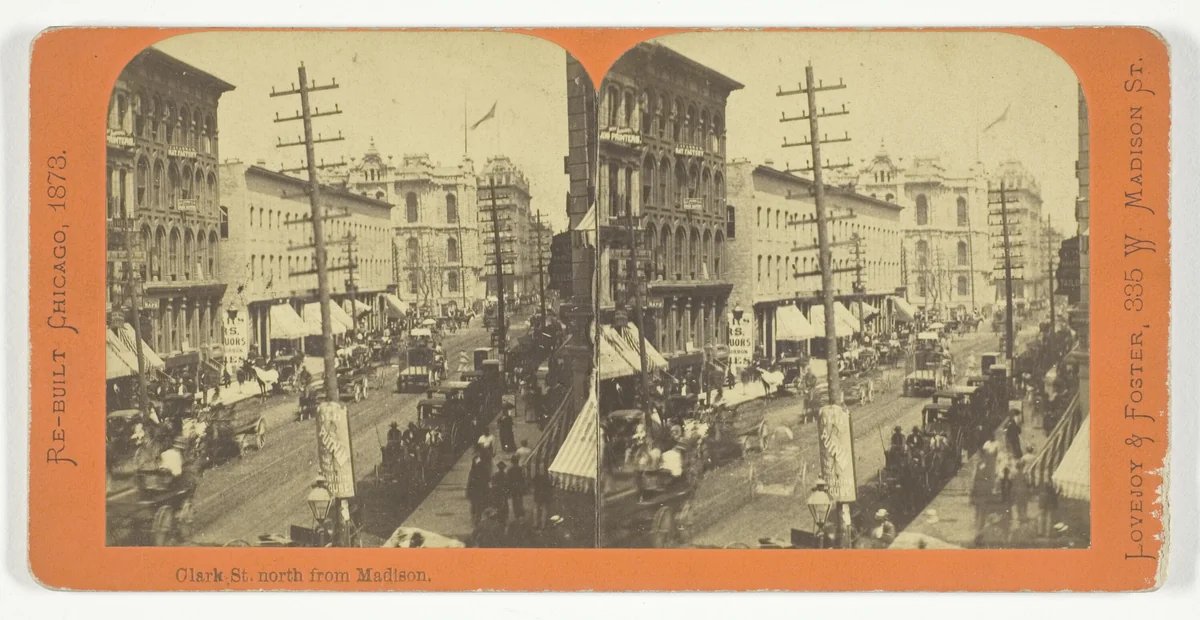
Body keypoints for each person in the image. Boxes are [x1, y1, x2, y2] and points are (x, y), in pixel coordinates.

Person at [466, 454, 491, 525]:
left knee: (474, 507)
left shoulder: (473, 471)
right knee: (480, 507)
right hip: (481, 491)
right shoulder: (485, 470)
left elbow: (470, 482)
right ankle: (478, 520)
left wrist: (468, 493)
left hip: (475, 492)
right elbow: (488, 480)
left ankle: (475, 521)